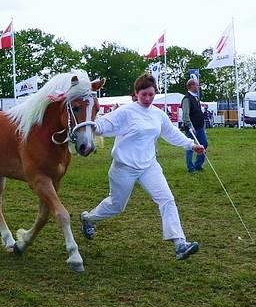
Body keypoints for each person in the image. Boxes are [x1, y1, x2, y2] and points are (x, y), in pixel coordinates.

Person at [80, 73, 205, 261]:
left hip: (149, 167)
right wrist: (86, 123)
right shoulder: (126, 112)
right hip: (123, 168)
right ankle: (88, 218)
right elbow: (102, 125)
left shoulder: (158, 114)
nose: (148, 99)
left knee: (167, 199)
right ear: (136, 94)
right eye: (144, 94)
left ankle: (180, 244)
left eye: (151, 95)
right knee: (116, 206)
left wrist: (191, 145)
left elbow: (171, 133)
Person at [181, 79, 208, 173]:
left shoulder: (196, 98)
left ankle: (198, 165)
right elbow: (185, 114)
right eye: (197, 85)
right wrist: (190, 125)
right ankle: (190, 168)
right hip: (192, 128)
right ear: (192, 86)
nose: (198, 87)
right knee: (190, 147)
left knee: (204, 144)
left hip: (200, 127)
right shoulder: (187, 99)